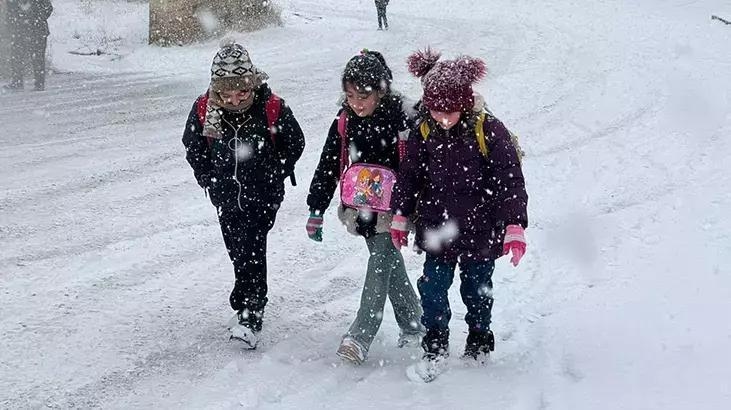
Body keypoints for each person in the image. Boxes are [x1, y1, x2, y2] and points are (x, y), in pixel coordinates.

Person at [390, 48, 528, 376]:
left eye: (450, 111)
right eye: (437, 111)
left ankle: (479, 338)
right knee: (432, 288)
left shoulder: (488, 130)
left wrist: (514, 225)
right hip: (436, 227)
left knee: (476, 290)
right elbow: (410, 175)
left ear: (464, 103)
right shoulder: (424, 129)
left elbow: (509, 178)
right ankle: (435, 341)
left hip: (481, 230)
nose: (444, 118)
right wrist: (400, 214)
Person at [182, 41, 305, 349]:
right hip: (224, 195)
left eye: (241, 92)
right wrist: (206, 177)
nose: (234, 99)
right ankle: (244, 300)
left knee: (251, 245)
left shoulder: (270, 106)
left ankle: (251, 311)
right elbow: (193, 146)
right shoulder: (205, 109)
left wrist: (276, 170)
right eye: (226, 94)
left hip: (262, 194)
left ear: (252, 85)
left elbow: (296, 142)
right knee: (236, 247)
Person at [306, 49, 424, 364]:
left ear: (381, 91)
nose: (356, 103)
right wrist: (316, 208)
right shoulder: (345, 120)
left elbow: (425, 160)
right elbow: (329, 163)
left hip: (396, 206)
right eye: (350, 95)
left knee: (381, 259)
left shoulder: (404, 116)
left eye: (363, 96)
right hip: (362, 207)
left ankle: (361, 334)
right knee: (387, 261)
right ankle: (414, 325)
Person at [4, 0, 53, 91]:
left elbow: (48, 8)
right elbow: (9, 13)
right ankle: (17, 82)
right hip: (19, 31)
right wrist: (11, 27)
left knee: (37, 57)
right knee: (16, 56)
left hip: (37, 31)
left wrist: (35, 18)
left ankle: (39, 83)